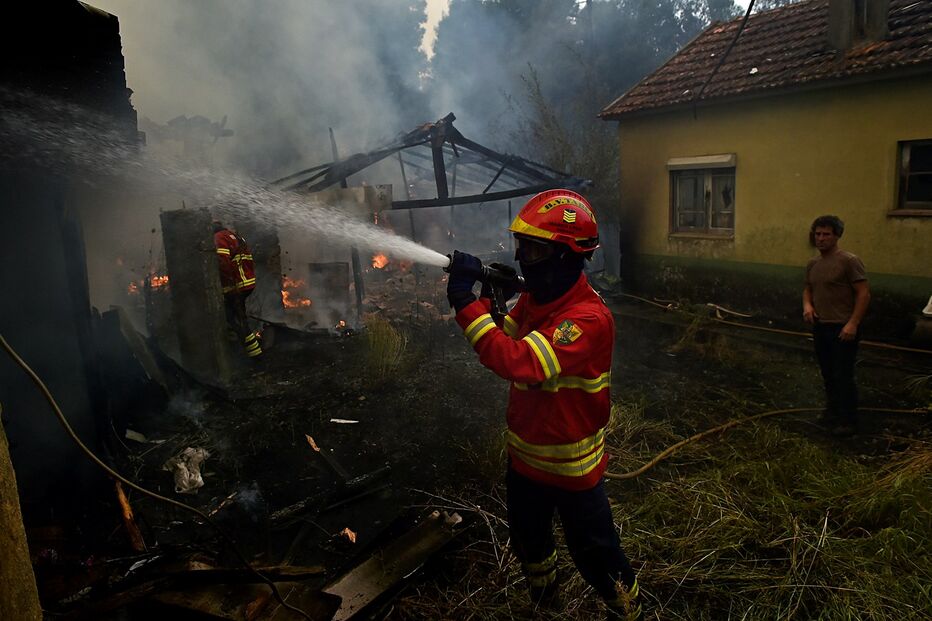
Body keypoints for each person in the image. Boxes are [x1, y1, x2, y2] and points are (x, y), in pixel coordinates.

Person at [446, 190, 641, 620]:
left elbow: (520, 362)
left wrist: (464, 302)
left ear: (566, 256)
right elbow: (506, 337)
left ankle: (628, 612)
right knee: (529, 542)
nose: (522, 259)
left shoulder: (587, 320)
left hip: (571, 471)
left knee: (598, 558)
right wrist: (489, 295)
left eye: (532, 249)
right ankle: (544, 603)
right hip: (525, 459)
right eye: (521, 247)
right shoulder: (539, 299)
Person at [803, 215, 870, 436]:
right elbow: (808, 288)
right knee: (827, 373)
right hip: (821, 326)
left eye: (826, 234)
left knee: (843, 374)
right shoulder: (813, 263)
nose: (821, 239)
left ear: (837, 236)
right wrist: (807, 306)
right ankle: (832, 411)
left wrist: (852, 324)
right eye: (818, 234)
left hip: (843, 328)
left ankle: (848, 421)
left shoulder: (849, 261)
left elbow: (863, 294)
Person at [213, 220, 262, 359]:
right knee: (233, 317)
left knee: (236, 320)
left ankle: (255, 355)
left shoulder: (219, 238)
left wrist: (229, 286)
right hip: (247, 284)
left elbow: (223, 263)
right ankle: (238, 350)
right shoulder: (233, 236)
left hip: (237, 286)